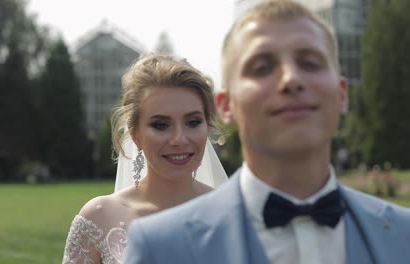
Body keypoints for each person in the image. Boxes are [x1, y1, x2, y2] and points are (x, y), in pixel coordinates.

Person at [124, 1, 410, 263]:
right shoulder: (161, 248)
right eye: (262, 67)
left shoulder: (403, 234)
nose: (291, 79)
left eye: (310, 62)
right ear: (226, 106)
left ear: (342, 94)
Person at [62, 53, 228, 264]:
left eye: (193, 122)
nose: (179, 139)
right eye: (161, 125)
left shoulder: (231, 217)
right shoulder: (98, 220)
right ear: (135, 134)